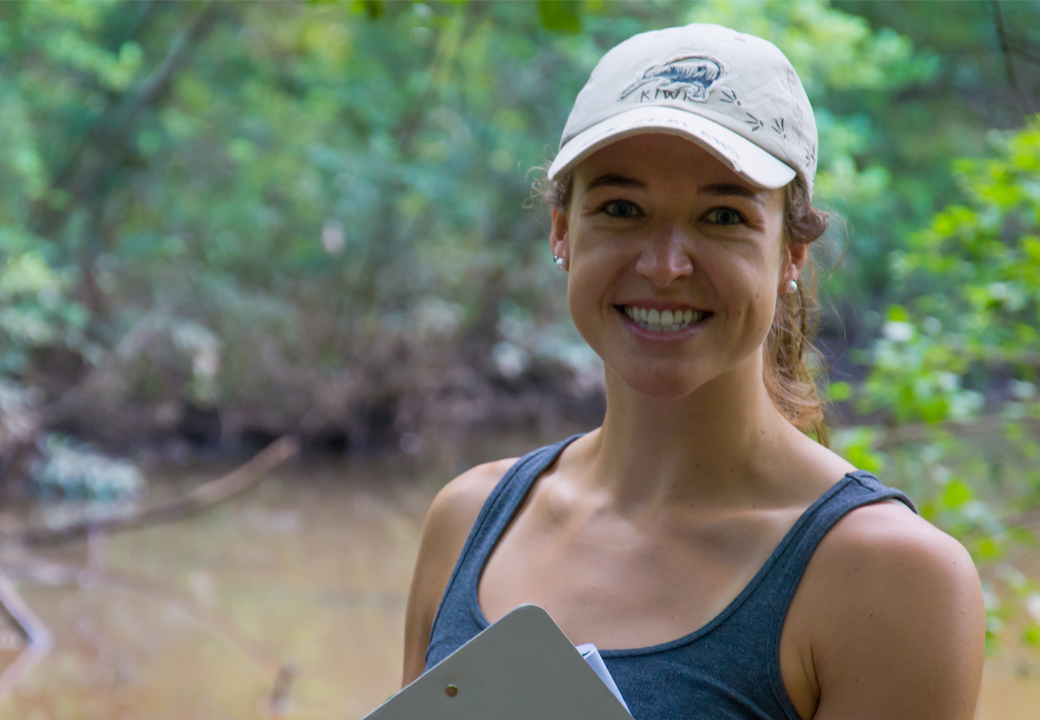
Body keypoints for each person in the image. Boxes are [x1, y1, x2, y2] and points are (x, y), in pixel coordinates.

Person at [402, 24, 984, 720]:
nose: (664, 266)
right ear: (562, 230)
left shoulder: (888, 578)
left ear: (791, 254)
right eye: (621, 209)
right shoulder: (469, 521)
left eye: (722, 216)